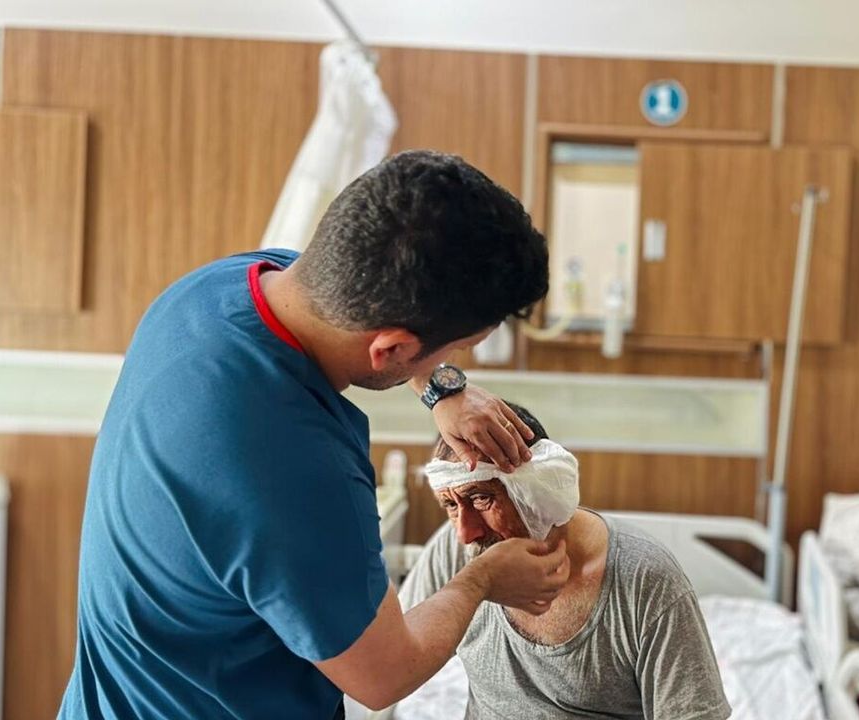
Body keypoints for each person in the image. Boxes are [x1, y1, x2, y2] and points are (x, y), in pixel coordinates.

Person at [58, 150, 571, 719]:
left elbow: (353, 307)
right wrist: (480, 582)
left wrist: (441, 387)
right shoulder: (297, 469)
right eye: (457, 350)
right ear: (392, 347)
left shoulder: (219, 287)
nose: (454, 365)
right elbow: (384, 674)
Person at [398, 401, 731, 720]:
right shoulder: (456, 552)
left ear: (538, 489)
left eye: (481, 498)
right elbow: (397, 658)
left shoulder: (645, 581)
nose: (465, 533)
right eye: (450, 505)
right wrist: (471, 586)